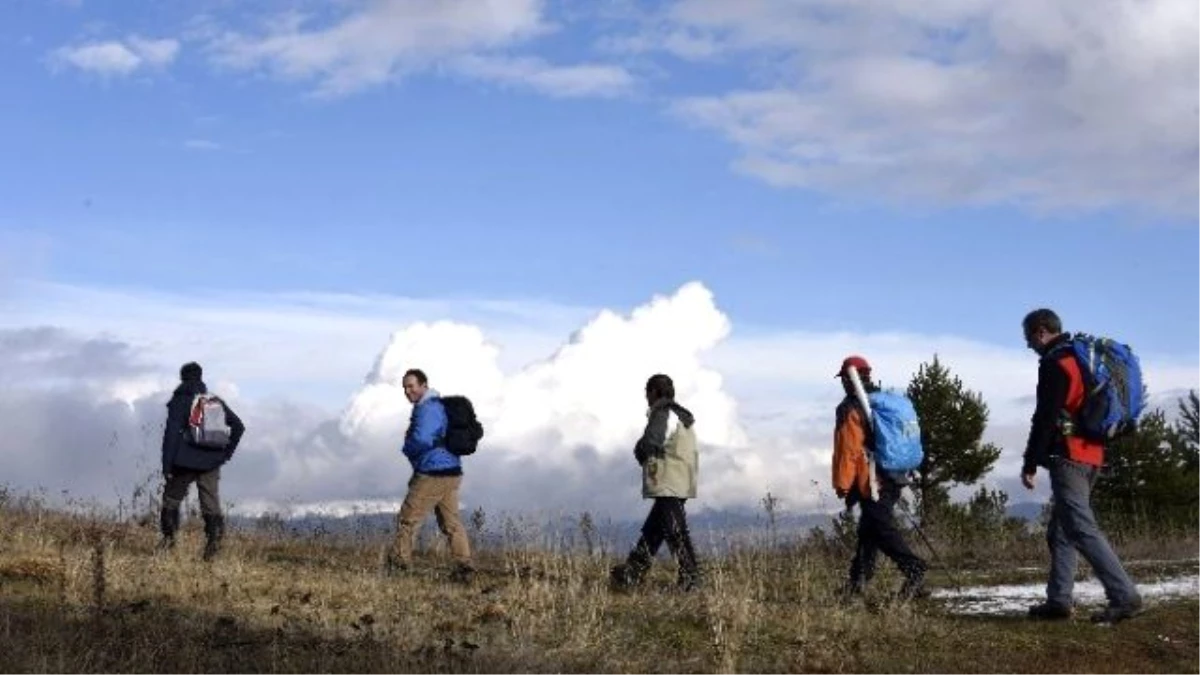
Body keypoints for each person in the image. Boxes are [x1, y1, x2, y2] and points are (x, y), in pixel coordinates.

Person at [1021, 309, 1143, 623]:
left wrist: (1030, 462)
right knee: (1062, 530)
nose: (1029, 345)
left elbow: (1045, 417)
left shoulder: (1056, 363)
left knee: (1080, 526)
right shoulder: (1084, 358)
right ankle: (1059, 600)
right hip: (1094, 455)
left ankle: (1124, 596)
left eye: (1029, 338)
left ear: (1041, 331)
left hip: (1069, 456)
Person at [832, 355, 926, 602]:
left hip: (873, 480)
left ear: (848, 379)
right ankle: (857, 584)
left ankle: (914, 569)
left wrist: (842, 484)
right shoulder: (883, 403)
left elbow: (848, 449)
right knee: (868, 530)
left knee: (881, 528)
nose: (843, 383)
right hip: (895, 474)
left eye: (843, 378)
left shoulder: (851, 407)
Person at [610, 373, 702, 591]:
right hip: (682, 478)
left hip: (667, 479)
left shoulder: (662, 413)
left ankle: (691, 579)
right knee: (655, 528)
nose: (646, 398)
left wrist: (639, 450)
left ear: (653, 392)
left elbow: (652, 443)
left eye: (647, 392)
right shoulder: (681, 416)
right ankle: (633, 571)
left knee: (675, 530)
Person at [385, 368, 474, 582]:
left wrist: (407, 448)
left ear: (424, 385)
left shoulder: (427, 408)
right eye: (405, 388)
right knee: (451, 522)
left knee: (408, 519)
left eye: (411, 386)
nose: (407, 391)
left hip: (432, 473)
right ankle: (464, 566)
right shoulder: (438, 406)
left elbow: (422, 439)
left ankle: (398, 564)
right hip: (451, 471)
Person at [159, 361, 245, 560]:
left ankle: (169, 543)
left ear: (182, 377)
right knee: (210, 504)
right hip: (211, 461)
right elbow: (238, 426)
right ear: (201, 377)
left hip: (184, 461)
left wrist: (167, 465)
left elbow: (171, 435)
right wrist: (225, 454)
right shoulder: (213, 401)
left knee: (171, 500)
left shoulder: (179, 401)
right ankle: (213, 547)